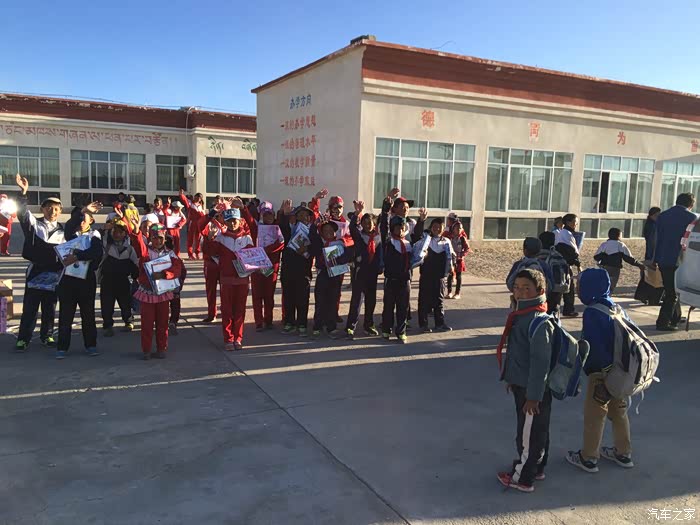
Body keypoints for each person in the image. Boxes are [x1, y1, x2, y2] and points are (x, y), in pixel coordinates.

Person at [566, 268, 633, 473]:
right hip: (621, 372)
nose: (577, 289)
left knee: (595, 415)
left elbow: (594, 346)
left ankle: (588, 457)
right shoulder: (616, 307)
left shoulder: (593, 312)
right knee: (619, 412)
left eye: (580, 285)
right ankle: (623, 453)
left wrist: (594, 372)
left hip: (602, 373)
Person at [496, 269, 553, 493]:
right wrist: (512, 378)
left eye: (526, 288)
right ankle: (536, 468)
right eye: (517, 287)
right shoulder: (522, 314)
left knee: (528, 436)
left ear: (540, 291)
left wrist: (534, 397)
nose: (519, 292)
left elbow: (540, 364)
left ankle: (522, 478)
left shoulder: (538, 321)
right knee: (537, 431)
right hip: (523, 384)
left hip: (533, 391)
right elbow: (518, 354)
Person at [14, 174, 65, 351]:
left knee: (50, 308)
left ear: (60, 211)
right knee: (30, 308)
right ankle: (23, 339)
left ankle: (47, 335)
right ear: (42, 209)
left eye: (56, 208)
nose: (52, 211)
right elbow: (22, 213)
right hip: (36, 272)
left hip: (54, 275)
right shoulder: (34, 224)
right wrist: (23, 193)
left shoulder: (64, 233)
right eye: (48, 207)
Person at [122, 215, 183, 360]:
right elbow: (138, 245)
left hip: (163, 294)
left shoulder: (170, 254)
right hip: (148, 293)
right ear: (150, 238)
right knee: (147, 324)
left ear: (164, 238)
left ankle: (162, 348)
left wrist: (165, 274)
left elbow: (177, 269)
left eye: (160, 238)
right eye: (155, 238)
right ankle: (146, 350)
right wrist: (136, 231)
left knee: (162, 323)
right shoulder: (146, 252)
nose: (158, 241)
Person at [55, 203, 104, 359]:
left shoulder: (94, 235)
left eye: (85, 218)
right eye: (79, 218)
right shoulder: (70, 235)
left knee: (88, 314)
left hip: (86, 280)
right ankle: (62, 347)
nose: (82, 221)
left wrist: (77, 256)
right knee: (65, 315)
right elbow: (69, 227)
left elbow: (96, 252)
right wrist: (83, 211)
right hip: (68, 281)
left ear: (91, 220)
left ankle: (91, 345)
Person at [207, 201, 254, 350]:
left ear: (240, 221)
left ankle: (238, 338)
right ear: (225, 222)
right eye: (229, 221)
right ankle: (228, 338)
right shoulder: (221, 238)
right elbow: (211, 253)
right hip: (226, 280)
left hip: (242, 280)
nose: (233, 223)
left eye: (235, 220)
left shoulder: (247, 238)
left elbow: (253, 257)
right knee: (227, 310)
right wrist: (210, 239)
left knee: (240, 311)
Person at [654, 193, 697, 331]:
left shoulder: (663, 216)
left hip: (663, 258)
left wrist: (654, 259)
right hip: (680, 260)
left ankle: (675, 317)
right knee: (672, 294)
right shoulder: (693, 218)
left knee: (671, 289)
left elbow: (656, 239)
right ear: (691, 204)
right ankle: (662, 322)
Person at [345, 200, 382, 338]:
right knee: (356, 301)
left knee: (371, 301)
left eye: (370, 223)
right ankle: (350, 326)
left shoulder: (378, 239)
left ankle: (369, 325)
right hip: (360, 273)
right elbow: (352, 228)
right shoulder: (360, 237)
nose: (367, 225)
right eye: (364, 223)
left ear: (374, 224)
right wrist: (357, 213)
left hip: (372, 274)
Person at [279, 200, 315, 336]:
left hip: (304, 270)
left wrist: (307, 249)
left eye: (306, 215)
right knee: (288, 297)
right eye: (300, 214)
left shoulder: (312, 231)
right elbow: (282, 227)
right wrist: (284, 214)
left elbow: (317, 247)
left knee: (303, 298)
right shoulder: (291, 229)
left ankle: (302, 324)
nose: (303, 217)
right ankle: (289, 322)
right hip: (288, 268)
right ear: (296, 216)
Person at [310, 219, 351, 338]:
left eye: (331, 230)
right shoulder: (320, 242)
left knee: (332, 301)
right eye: (325, 230)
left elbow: (347, 256)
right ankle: (318, 325)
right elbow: (312, 236)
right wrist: (315, 225)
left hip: (335, 275)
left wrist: (337, 260)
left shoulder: (340, 243)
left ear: (335, 232)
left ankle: (331, 326)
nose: (328, 232)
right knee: (320, 300)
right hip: (323, 274)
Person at [247, 201, 284, 331]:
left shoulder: (277, 228)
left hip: (271, 266)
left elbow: (281, 244)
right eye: (265, 214)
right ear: (261, 215)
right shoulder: (256, 227)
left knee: (269, 295)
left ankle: (268, 320)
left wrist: (265, 250)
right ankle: (258, 321)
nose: (268, 217)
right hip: (257, 266)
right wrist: (243, 208)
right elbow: (248, 219)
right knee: (257, 295)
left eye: (270, 214)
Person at [99, 219, 139, 337]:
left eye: (120, 232)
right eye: (114, 231)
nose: (117, 234)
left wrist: (136, 277)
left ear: (125, 234)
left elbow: (135, 265)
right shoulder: (106, 246)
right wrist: (104, 229)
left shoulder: (129, 249)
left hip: (123, 280)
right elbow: (97, 238)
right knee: (107, 305)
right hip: (107, 280)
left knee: (125, 303)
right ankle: (108, 325)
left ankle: (129, 322)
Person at [380, 215, 413, 344]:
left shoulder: (408, 244)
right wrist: (385, 211)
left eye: (402, 228)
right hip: (391, 279)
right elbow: (383, 230)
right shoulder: (389, 242)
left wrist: (421, 221)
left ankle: (401, 331)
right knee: (388, 306)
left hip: (404, 280)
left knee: (403, 307)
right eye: (397, 228)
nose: (400, 230)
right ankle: (386, 329)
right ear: (392, 229)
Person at [417, 217, 455, 332]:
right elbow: (417, 234)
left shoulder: (446, 241)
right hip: (426, 275)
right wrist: (421, 220)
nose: (437, 229)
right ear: (431, 227)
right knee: (424, 300)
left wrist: (451, 268)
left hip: (440, 276)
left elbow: (451, 257)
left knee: (439, 300)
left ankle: (440, 323)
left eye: (439, 227)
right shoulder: (426, 240)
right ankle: (423, 325)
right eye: (434, 227)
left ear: (443, 229)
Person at [593, 228, 645, 293]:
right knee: (611, 285)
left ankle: (602, 296)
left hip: (604, 267)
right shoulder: (620, 245)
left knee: (603, 284)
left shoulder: (604, 244)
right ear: (619, 236)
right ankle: (608, 295)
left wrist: (605, 256)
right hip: (615, 268)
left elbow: (596, 257)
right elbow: (628, 258)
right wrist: (639, 264)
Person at [197, 209, 224, 323]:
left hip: (224, 263)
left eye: (223, 214)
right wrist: (210, 215)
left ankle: (226, 312)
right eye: (218, 215)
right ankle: (212, 314)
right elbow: (200, 226)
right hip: (210, 263)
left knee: (225, 291)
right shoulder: (209, 224)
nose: (220, 217)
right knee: (211, 290)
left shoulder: (231, 225)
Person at [634, 207, 662, 305]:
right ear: (652, 215)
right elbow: (652, 242)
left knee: (649, 276)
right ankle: (647, 296)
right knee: (652, 277)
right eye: (657, 215)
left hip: (650, 254)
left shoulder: (650, 225)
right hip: (652, 255)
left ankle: (644, 296)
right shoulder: (653, 226)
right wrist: (653, 257)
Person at [555, 214, 582, 317]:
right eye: (575, 222)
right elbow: (570, 251)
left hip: (562, 264)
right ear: (568, 222)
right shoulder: (566, 234)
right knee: (568, 288)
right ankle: (568, 309)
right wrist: (577, 263)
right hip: (564, 265)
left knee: (564, 288)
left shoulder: (564, 233)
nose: (576, 224)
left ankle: (565, 309)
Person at [537, 231, 568, 315]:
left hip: (540, 291)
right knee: (553, 313)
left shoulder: (536, 256)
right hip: (556, 291)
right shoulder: (557, 256)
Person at [165, 235, 187, 336]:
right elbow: (183, 272)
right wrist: (180, 284)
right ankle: (173, 322)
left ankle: (168, 323)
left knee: (167, 305)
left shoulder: (172, 257)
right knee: (175, 305)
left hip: (166, 286)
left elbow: (182, 272)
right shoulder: (175, 257)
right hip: (174, 286)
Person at [444, 220, 470, 299]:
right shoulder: (449, 238)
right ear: (453, 229)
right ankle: (449, 292)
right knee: (450, 275)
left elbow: (467, 248)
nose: (458, 230)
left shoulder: (462, 239)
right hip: (451, 259)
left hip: (459, 260)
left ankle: (457, 293)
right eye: (457, 228)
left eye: (460, 228)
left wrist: (462, 255)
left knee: (458, 276)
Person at [179, 189, 206, 260]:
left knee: (198, 239)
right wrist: (181, 194)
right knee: (190, 239)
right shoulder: (190, 203)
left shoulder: (201, 206)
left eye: (199, 198)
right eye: (196, 197)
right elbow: (185, 200)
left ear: (201, 199)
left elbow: (203, 216)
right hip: (192, 223)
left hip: (199, 224)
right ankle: (190, 254)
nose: (197, 199)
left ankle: (197, 253)